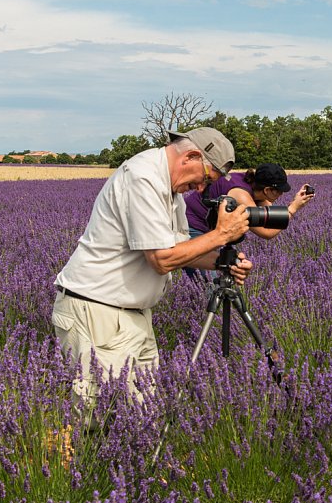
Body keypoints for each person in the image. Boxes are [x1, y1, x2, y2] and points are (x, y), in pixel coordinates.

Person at [52, 126, 254, 413]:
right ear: (191, 157)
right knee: (102, 417)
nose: (200, 189)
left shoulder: (169, 188)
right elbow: (162, 259)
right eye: (205, 179)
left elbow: (181, 249)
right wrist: (221, 234)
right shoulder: (142, 178)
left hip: (132, 316)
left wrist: (223, 261)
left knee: (143, 415)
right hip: (98, 313)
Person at [182, 163, 314, 280]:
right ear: (267, 190)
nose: (281, 195)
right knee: (209, 283)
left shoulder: (252, 186)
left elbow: (269, 215)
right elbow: (266, 232)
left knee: (212, 277)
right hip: (191, 227)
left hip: (205, 229)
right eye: (279, 191)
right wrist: (293, 208)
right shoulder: (241, 195)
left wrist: (294, 202)